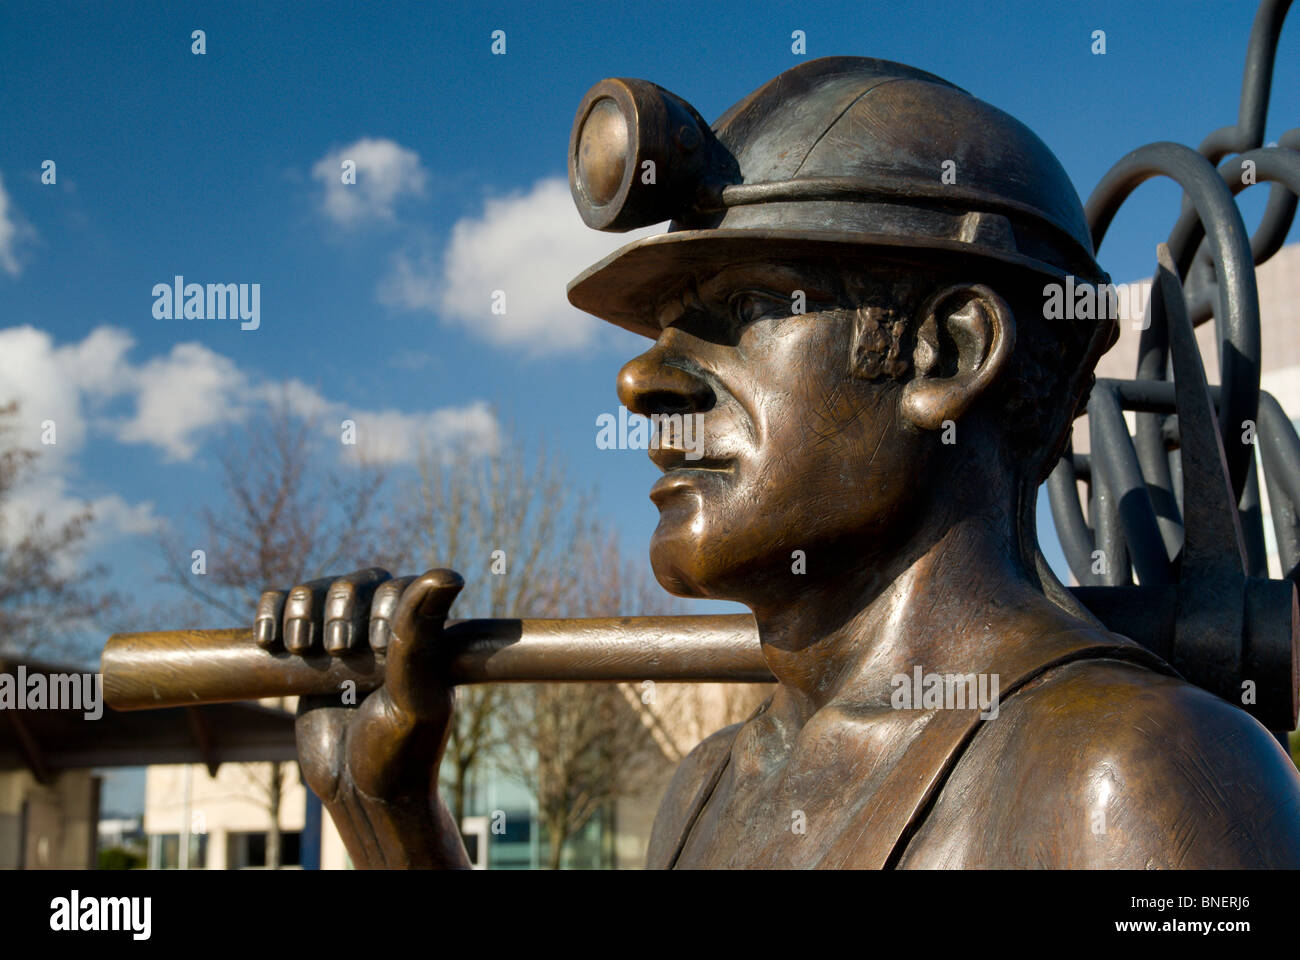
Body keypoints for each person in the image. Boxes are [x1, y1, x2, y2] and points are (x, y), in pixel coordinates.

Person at [254, 57, 1300, 868]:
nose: (641, 383)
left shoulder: (1133, 783)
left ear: (951, 354)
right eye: (660, 329)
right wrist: (389, 821)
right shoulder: (706, 791)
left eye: (748, 309)